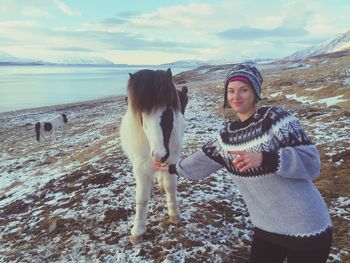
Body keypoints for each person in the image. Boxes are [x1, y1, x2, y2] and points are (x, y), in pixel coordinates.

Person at [154, 64, 332, 263]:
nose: (236, 96)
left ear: (255, 92)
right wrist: (170, 167)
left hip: (307, 227)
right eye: (231, 91)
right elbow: (199, 162)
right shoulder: (226, 138)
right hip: (266, 227)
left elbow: (311, 162)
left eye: (244, 90)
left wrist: (266, 158)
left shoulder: (277, 119)